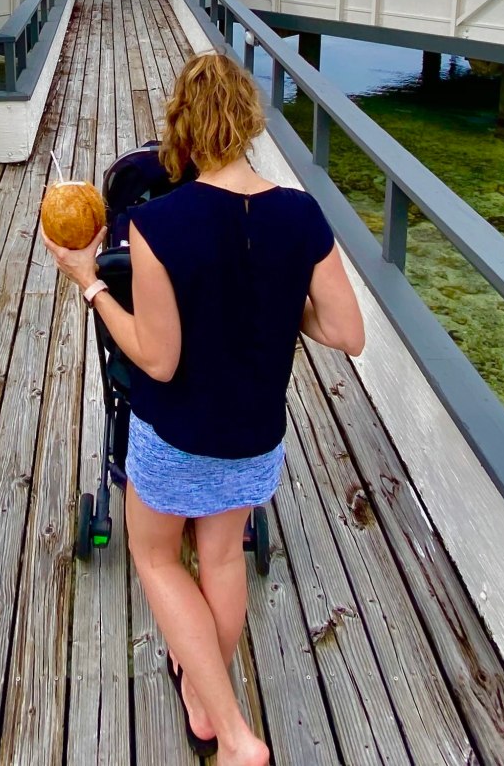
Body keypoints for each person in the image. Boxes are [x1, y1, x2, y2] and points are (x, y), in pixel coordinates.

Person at [45, 51, 366, 763]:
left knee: (157, 561)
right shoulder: (301, 215)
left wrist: (89, 284)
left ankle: (240, 737)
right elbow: (347, 332)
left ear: (181, 133)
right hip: (254, 438)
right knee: (221, 561)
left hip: (177, 435)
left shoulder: (161, 223)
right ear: (249, 121)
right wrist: (283, 304)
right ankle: (203, 701)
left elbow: (156, 359)